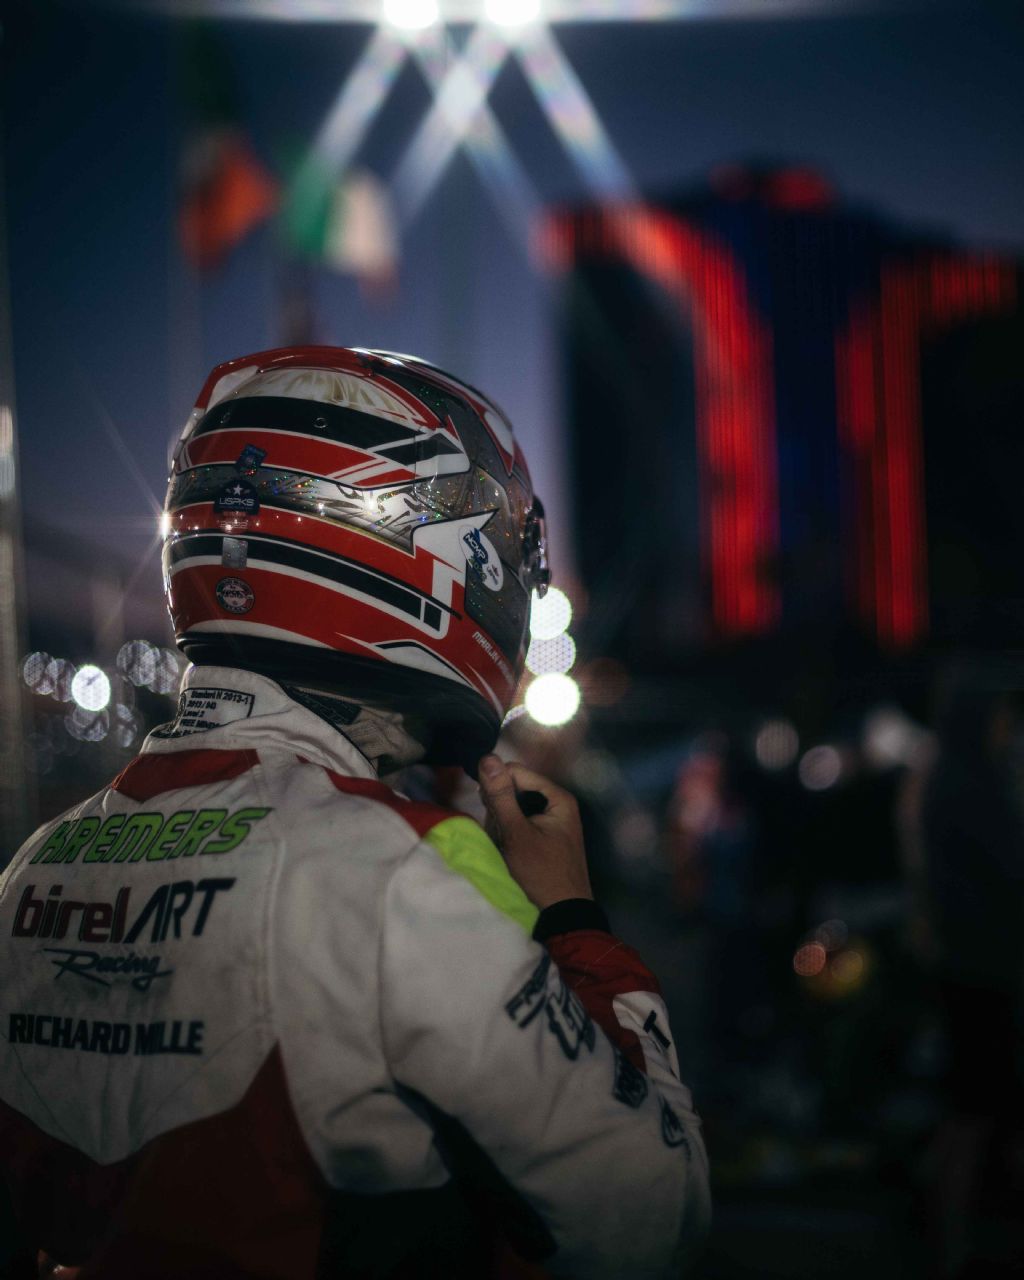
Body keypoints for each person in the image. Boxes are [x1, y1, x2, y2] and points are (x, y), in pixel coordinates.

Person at [0, 347, 710, 1279]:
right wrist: (574, 918)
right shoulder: (398, 872)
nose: (511, 584)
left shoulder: (30, 869)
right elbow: (652, 1214)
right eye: (496, 550)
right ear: (406, 546)